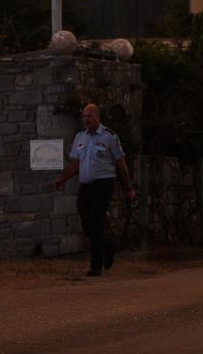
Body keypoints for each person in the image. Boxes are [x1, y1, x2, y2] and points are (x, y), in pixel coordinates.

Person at [54, 103, 136, 276]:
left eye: (89, 116)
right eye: (84, 116)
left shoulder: (109, 137)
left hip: (103, 184)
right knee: (87, 224)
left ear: (98, 117)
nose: (86, 120)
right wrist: (63, 178)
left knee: (96, 222)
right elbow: (75, 163)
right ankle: (109, 246)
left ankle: (95, 267)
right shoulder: (80, 138)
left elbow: (120, 164)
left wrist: (128, 186)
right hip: (86, 185)